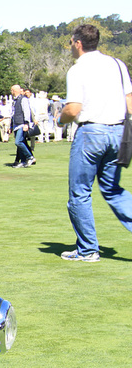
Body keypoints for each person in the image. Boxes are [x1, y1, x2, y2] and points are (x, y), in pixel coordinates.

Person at [57, 23, 132, 262]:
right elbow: (129, 100)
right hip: (118, 132)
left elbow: (73, 108)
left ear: (78, 43)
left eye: (71, 43)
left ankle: (88, 250)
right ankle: (87, 248)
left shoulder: (77, 70)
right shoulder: (118, 65)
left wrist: (61, 121)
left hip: (91, 133)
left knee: (79, 194)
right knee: (112, 190)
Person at [7, 85, 35, 167]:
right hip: (16, 124)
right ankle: (23, 161)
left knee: (18, 142)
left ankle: (30, 157)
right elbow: (12, 113)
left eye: (12, 90)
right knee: (20, 143)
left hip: (22, 124)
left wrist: (26, 123)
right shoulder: (14, 101)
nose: (11, 92)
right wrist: (11, 126)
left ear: (14, 91)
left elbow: (27, 112)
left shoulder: (23, 99)